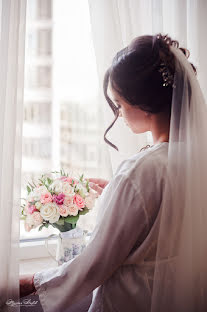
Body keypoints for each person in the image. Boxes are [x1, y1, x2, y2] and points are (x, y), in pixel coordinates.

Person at [19, 33, 207, 311]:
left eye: (119, 104)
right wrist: (119, 196)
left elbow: (94, 263)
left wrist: (30, 281)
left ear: (141, 103)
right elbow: (169, 222)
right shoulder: (195, 159)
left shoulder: (140, 171)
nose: (118, 114)